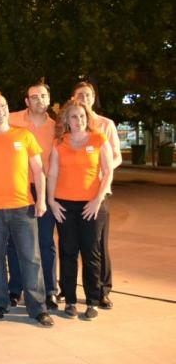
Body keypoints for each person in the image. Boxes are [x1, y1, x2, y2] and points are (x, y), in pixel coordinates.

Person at [0, 92, 53, 327]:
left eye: (3, 106)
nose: (0, 111)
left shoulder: (24, 135)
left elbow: (38, 171)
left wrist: (42, 200)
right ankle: (0, 302)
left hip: (22, 207)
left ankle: (37, 308)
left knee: (31, 259)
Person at [47, 100, 114, 320]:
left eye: (82, 117)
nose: (78, 121)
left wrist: (97, 200)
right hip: (65, 206)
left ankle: (93, 301)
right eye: (74, 117)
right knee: (67, 253)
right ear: (66, 119)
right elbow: (53, 174)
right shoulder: (60, 143)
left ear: (88, 118)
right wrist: (52, 201)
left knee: (91, 253)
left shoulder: (98, 139)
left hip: (92, 205)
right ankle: (71, 301)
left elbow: (107, 171)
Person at [7, 82, 59, 309]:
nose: (39, 100)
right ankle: (15, 288)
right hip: (15, 188)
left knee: (45, 242)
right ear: (27, 101)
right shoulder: (12, 119)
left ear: (49, 99)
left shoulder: (57, 128)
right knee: (16, 242)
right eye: (34, 97)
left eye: (43, 96)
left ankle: (49, 290)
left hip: (44, 188)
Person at [72, 81, 122, 310]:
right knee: (73, 246)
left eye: (88, 94)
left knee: (98, 244)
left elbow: (117, 156)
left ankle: (102, 290)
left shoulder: (106, 125)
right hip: (74, 191)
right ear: (73, 98)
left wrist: (104, 169)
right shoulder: (71, 123)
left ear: (93, 98)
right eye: (80, 94)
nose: (84, 98)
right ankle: (69, 290)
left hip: (99, 190)